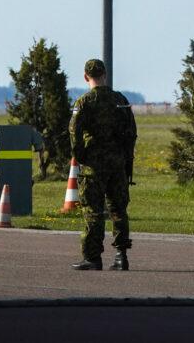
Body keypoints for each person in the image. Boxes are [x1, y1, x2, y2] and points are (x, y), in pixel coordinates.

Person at [68, 58, 137, 271]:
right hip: (117, 162)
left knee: (93, 210)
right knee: (118, 209)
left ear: (86, 77)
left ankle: (92, 257)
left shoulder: (84, 102)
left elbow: (74, 132)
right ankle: (121, 256)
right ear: (105, 75)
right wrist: (126, 159)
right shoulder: (120, 100)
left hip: (94, 164)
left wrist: (81, 156)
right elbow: (131, 133)